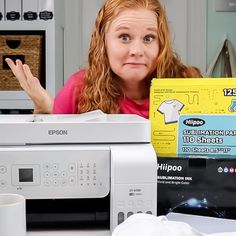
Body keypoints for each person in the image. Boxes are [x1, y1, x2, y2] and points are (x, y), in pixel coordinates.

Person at [5, 0, 201, 118]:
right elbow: (51, 153)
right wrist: (44, 110)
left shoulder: (189, 83)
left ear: (161, 43)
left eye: (148, 38)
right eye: (124, 37)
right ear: (103, 42)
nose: (137, 50)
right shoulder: (78, 88)